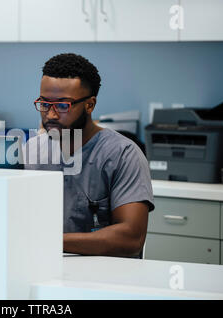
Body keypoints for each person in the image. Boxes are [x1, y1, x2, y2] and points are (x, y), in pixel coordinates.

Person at [24, 53, 154, 258]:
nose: (50, 115)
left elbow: (131, 238)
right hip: (44, 267)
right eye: (45, 103)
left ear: (90, 105)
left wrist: (47, 241)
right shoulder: (31, 151)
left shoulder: (123, 155)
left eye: (62, 105)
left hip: (105, 278)